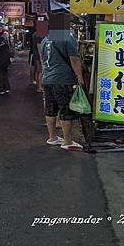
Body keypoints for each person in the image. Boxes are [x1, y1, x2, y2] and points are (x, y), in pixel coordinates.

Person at [39, 15, 85, 151]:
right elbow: (74, 59)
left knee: (50, 109)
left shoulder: (45, 40)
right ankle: (67, 141)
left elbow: (43, 60)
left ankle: (52, 137)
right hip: (62, 79)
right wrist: (79, 76)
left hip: (48, 78)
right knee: (65, 109)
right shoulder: (66, 37)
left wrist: (43, 76)